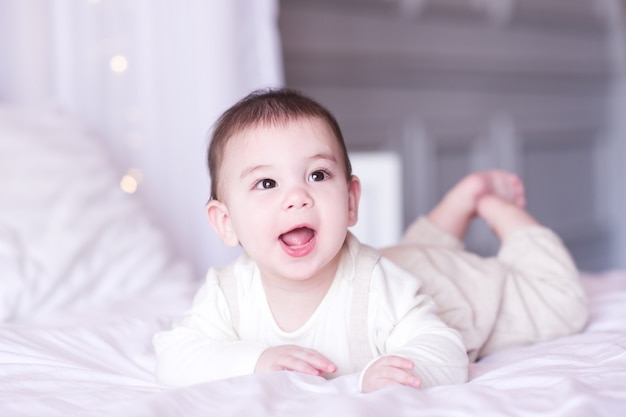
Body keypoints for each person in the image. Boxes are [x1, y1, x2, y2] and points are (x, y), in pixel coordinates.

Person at [153, 88, 588, 392]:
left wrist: (399, 369)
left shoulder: (379, 288)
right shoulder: (227, 293)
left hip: (457, 290)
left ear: (350, 202)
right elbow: (175, 354)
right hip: (411, 263)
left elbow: (444, 346)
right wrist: (254, 361)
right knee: (418, 256)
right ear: (225, 222)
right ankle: (459, 203)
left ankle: (495, 207)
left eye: (317, 175)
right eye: (266, 183)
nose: (297, 197)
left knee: (561, 303)